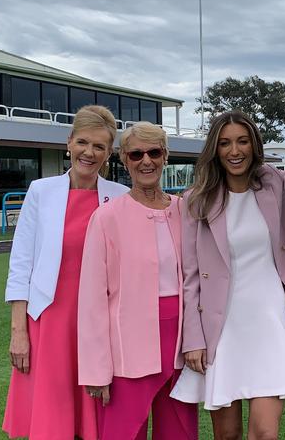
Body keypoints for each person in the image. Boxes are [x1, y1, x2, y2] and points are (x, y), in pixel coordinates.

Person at [170, 111, 285, 440]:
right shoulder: (196, 201)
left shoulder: (275, 183)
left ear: (254, 145)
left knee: (265, 432)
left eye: (242, 141)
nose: (235, 151)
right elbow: (190, 276)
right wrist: (193, 339)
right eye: (225, 143)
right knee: (228, 435)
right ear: (215, 150)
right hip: (221, 329)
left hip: (268, 322)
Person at [2, 105, 129, 440]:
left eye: (99, 146)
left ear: (109, 153)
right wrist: (19, 332)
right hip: (49, 320)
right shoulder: (40, 191)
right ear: (69, 142)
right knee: (52, 417)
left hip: (99, 323)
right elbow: (21, 263)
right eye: (83, 142)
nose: (89, 152)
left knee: (97, 416)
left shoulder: (120, 197)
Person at [78, 122, 198, 440]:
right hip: (127, 350)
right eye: (136, 154)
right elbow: (91, 299)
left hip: (181, 346)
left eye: (154, 152)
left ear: (165, 157)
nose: (146, 160)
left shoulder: (185, 210)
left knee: (180, 432)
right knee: (123, 432)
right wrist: (95, 370)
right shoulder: (107, 217)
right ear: (124, 160)